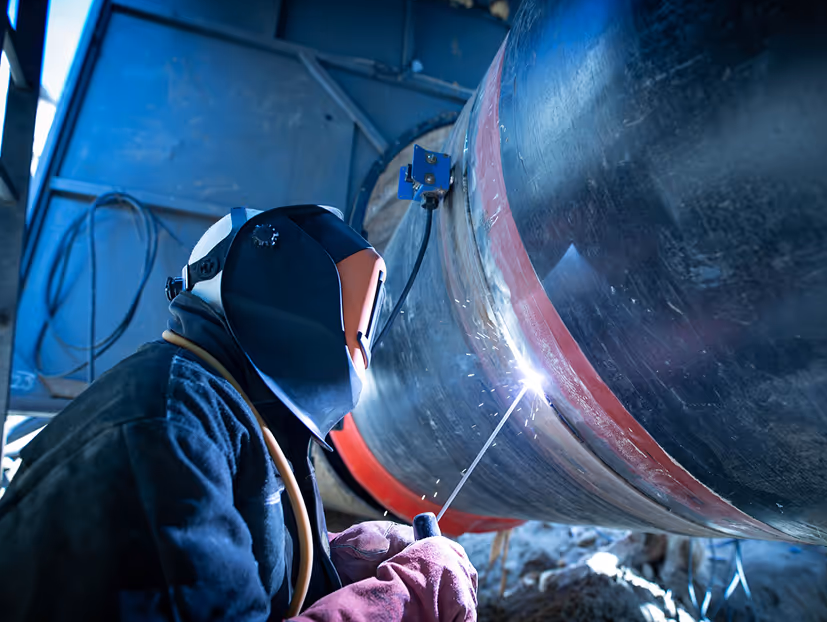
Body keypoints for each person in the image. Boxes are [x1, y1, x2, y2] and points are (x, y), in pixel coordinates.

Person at [0, 205, 477, 621]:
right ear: (291, 282)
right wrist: (412, 595)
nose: (360, 337)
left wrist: (334, 558)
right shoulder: (168, 424)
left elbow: (226, 573)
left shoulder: (228, 408)